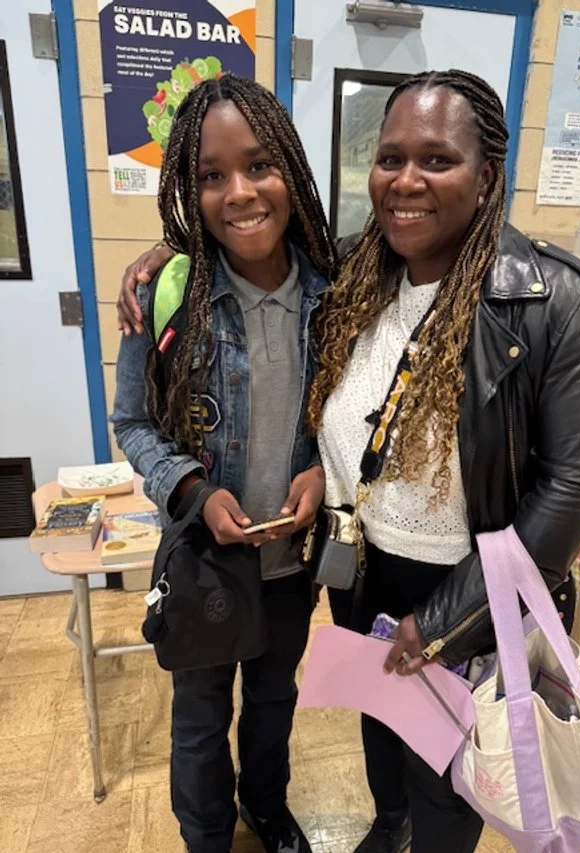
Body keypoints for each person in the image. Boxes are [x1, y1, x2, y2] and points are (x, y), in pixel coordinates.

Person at [116, 70, 580, 853]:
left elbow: (579, 485)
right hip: (354, 568)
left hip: (463, 588)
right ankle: (381, 831)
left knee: (449, 772)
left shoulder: (549, 298)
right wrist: (172, 247)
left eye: (436, 159)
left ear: (486, 174)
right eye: (390, 158)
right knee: (379, 737)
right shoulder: (362, 270)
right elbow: (254, 247)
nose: (407, 180)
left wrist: (451, 616)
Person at [112, 73, 336, 853]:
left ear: (293, 172)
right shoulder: (168, 291)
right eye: (211, 175)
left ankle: (265, 810)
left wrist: (324, 474)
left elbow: (354, 413)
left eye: (259, 165)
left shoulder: (334, 290)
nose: (238, 192)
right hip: (208, 562)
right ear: (188, 186)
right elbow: (132, 422)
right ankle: (205, 833)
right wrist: (196, 490)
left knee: (274, 701)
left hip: (290, 563)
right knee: (202, 715)